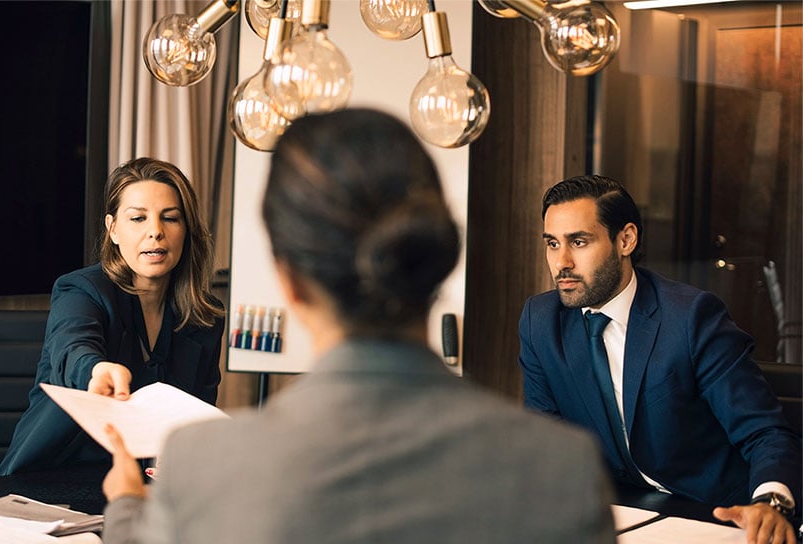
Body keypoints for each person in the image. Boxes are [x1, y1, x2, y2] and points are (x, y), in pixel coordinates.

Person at [99, 109, 617, 543]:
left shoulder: (202, 466)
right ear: (440, 261)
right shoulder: (563, 468)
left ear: (289, 281)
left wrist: (126, 507)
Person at [519, 174, 802, 543]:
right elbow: (547, 442)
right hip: (622, 514)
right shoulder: (540, 321)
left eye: (579, 241)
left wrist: (772, 502)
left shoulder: (691, 317)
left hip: (718, 515)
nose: (562, 262)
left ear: (626, 239)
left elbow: (765, 432)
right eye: (553, 244)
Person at [0, 157, 225, 476]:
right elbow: (73, 349)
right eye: (138, 218)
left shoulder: (206, 318)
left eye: (170, 218)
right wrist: (96, 370)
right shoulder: (81, 290)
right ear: (113, 229)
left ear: (187, 231)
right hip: (54, 478)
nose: (155, 232)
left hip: (147, 487)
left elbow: (198, 420)